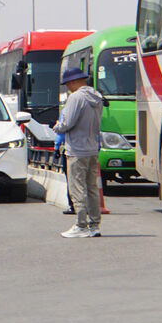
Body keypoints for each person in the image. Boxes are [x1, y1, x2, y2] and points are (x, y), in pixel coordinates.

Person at [52, 67, 105, 238]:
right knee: (92, 188)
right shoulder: (97, 97)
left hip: (76, 149)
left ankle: (81, 225)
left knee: (77, 189)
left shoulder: (76, 97)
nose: (67, 87)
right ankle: (94, 225)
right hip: (91, 148)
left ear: (74, 81)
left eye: (68, 84)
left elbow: (67, 123)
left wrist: (57, 127)